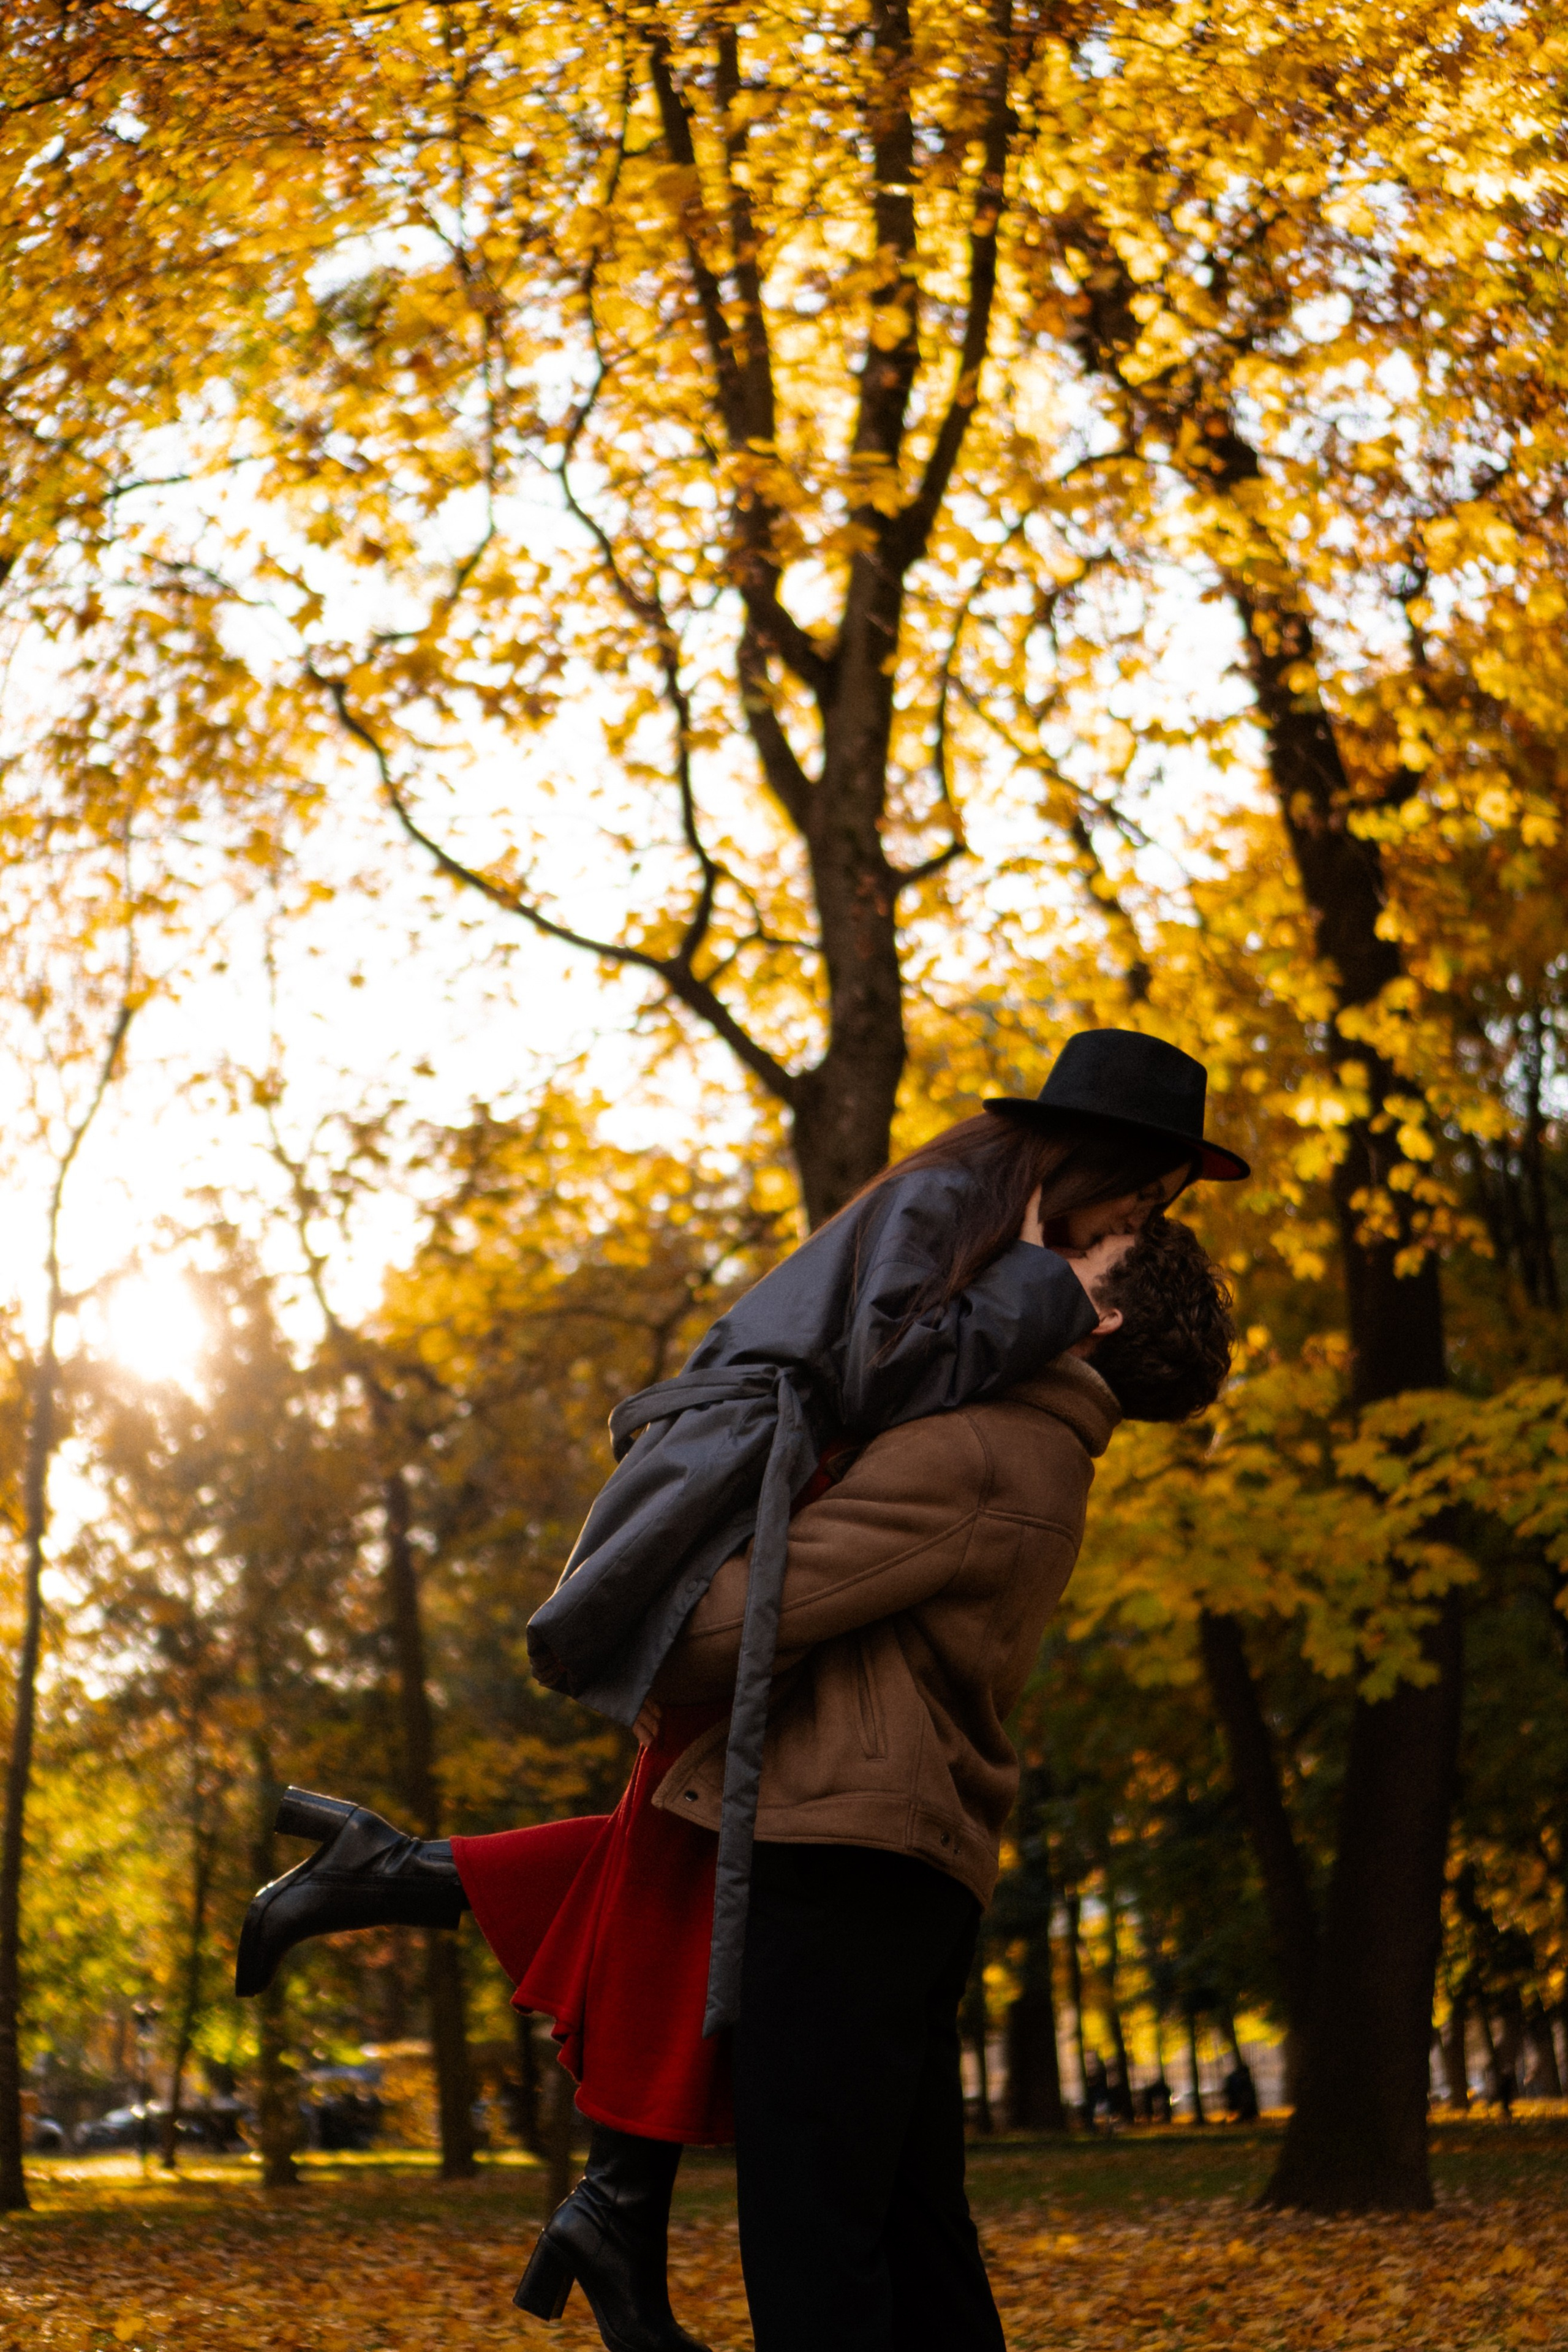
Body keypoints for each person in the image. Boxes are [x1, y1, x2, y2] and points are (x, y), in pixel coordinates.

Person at [235, 1030, 1246, 2352]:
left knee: (818, 2249)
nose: (1094, 1240)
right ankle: (559, 2118)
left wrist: (657, 1602)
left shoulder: (984, 1450)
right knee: (913, 2241)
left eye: (1102, 1251)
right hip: (902, 1861)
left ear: (1093, 1313)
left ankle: (489, 2012)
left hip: (840, 1866)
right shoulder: (1028, 1427)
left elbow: (721, 1634)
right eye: (1126, 1203)